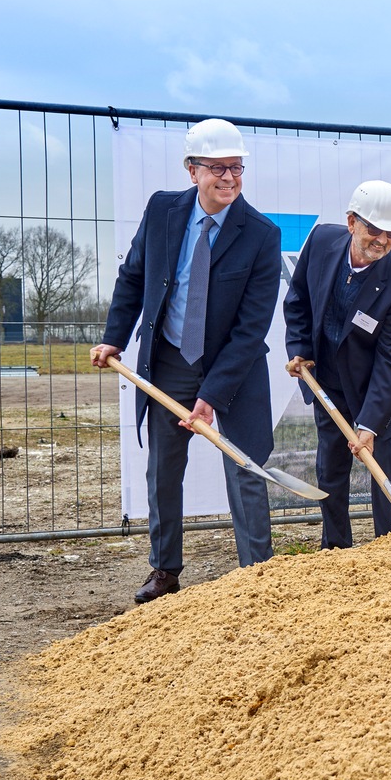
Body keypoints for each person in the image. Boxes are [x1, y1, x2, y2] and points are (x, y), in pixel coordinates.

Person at [91, 119, 281, 603]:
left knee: (246, 468)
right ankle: (165, 570)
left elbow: (250, 329)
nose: (230, 179)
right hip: (170, 359)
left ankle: (257, 576)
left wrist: (212, 396)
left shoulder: (261, 234)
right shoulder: (163, 212)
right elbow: (133, 278)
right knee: (163, 470)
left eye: (237, 168)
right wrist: (114, 337)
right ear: (192, 169)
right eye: (218, 168)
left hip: (233, 370)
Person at [283, 181, 391, 544]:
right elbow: (297, 299)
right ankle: (336, 550)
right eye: (374, 230)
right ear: (351, 222)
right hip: (328, 382)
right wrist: (300, 348)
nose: (382, 241)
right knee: (330, 473)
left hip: (381, 397)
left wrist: (371, 425)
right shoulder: (320, 244)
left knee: (385, 477)